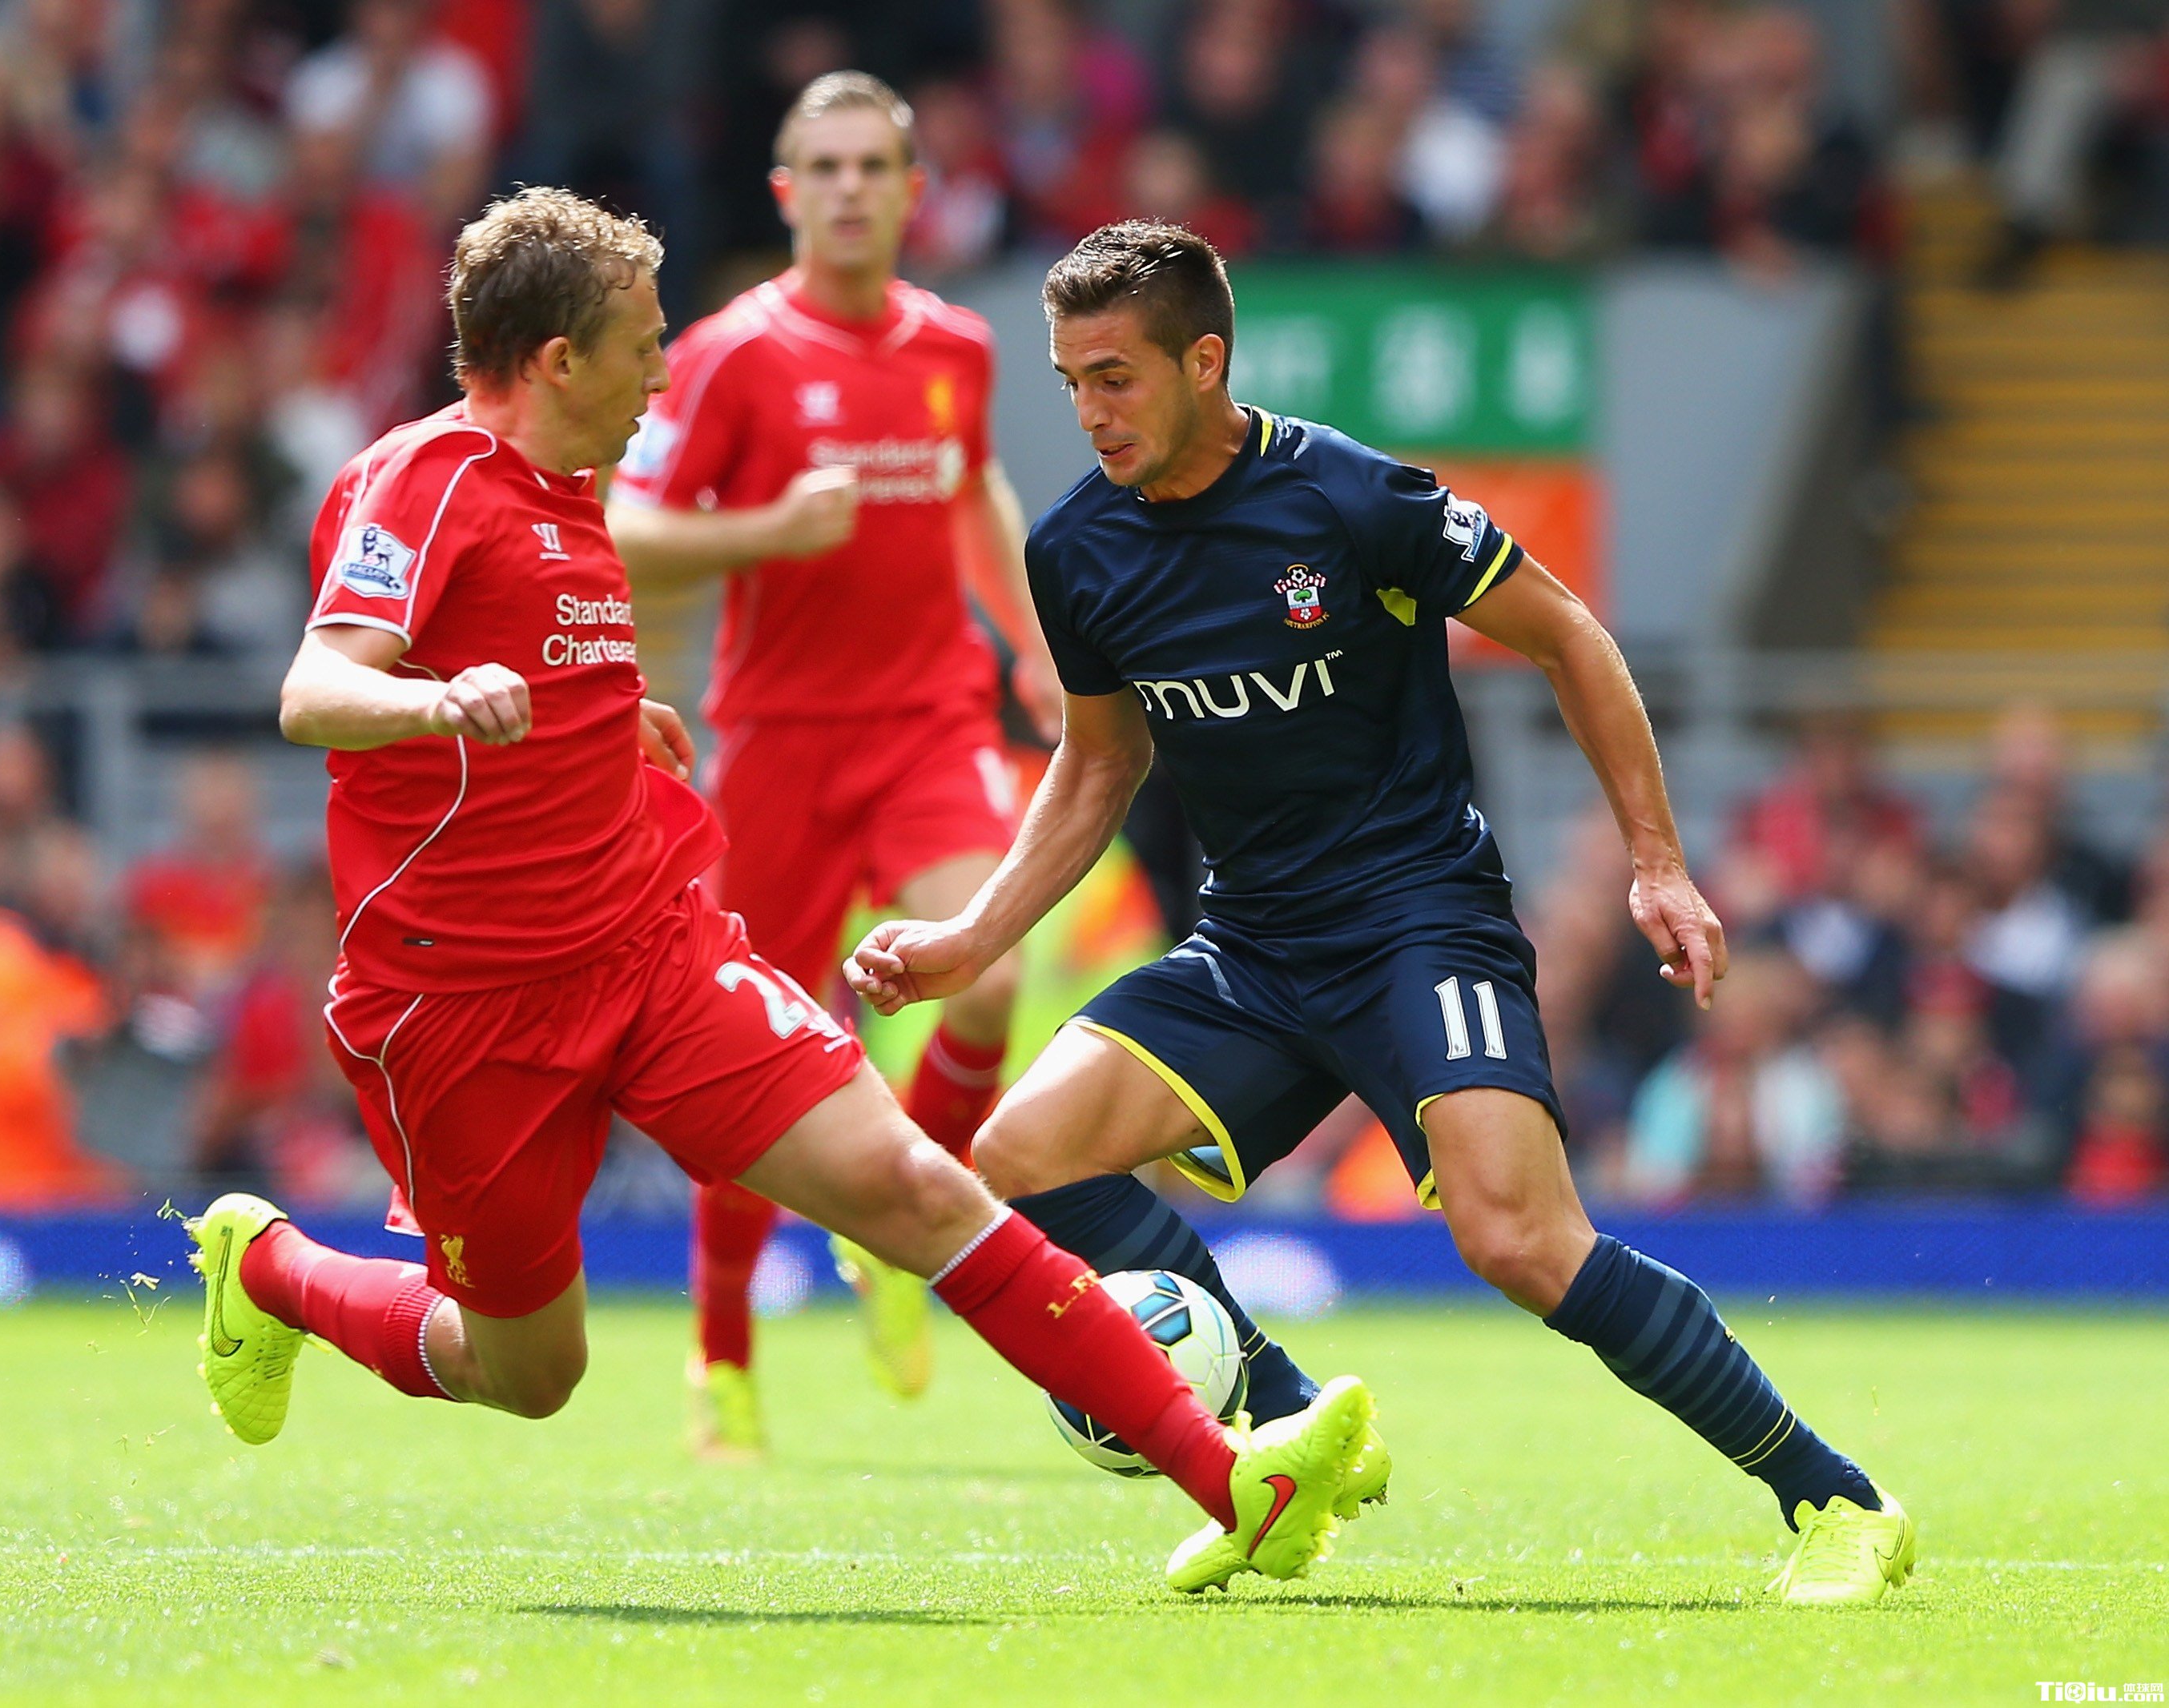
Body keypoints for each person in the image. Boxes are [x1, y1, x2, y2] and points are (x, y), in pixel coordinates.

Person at [186, 187, 1380, 1595]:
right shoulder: (424, 479)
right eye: (641, 344)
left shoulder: (577, 492)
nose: (660, 373)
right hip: (464, 1004)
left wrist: (599, 721)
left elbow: (540, 641)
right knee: (528, 1369)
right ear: (559, 361)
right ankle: (271, 1272)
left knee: (915, 1186)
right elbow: (316, 688)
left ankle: (1233, 1477)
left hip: (649, 950)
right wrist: (441, 700)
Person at [848, 219, 1916, 1607]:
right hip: (1252, 944)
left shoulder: (1349, 496)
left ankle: (1839, 1500)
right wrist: (973, 938)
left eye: (1115, 377)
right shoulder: (1078, 550)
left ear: (1204, 361)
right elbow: (1101, 760)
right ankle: (1291, 1427)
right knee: (1024, 1155)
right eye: (1070, 381)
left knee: (1519, 1239)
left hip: (1420, 923)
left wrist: (1657, 861)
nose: (1090, 411)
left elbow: (1568, 633)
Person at [607, 73, 1057, 1453]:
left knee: (987, 974)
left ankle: (898, 1223)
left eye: (875, 166)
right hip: (783, 740)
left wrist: (1034, 647)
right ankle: (722, 1350)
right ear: (787, 192)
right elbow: (627, 524)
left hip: (930, 718)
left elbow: (971, 485)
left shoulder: (956, 345)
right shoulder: (732, 354)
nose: (852, 188)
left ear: (914, 193)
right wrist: (764, 532)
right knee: (759, 1053)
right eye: (827, 166)